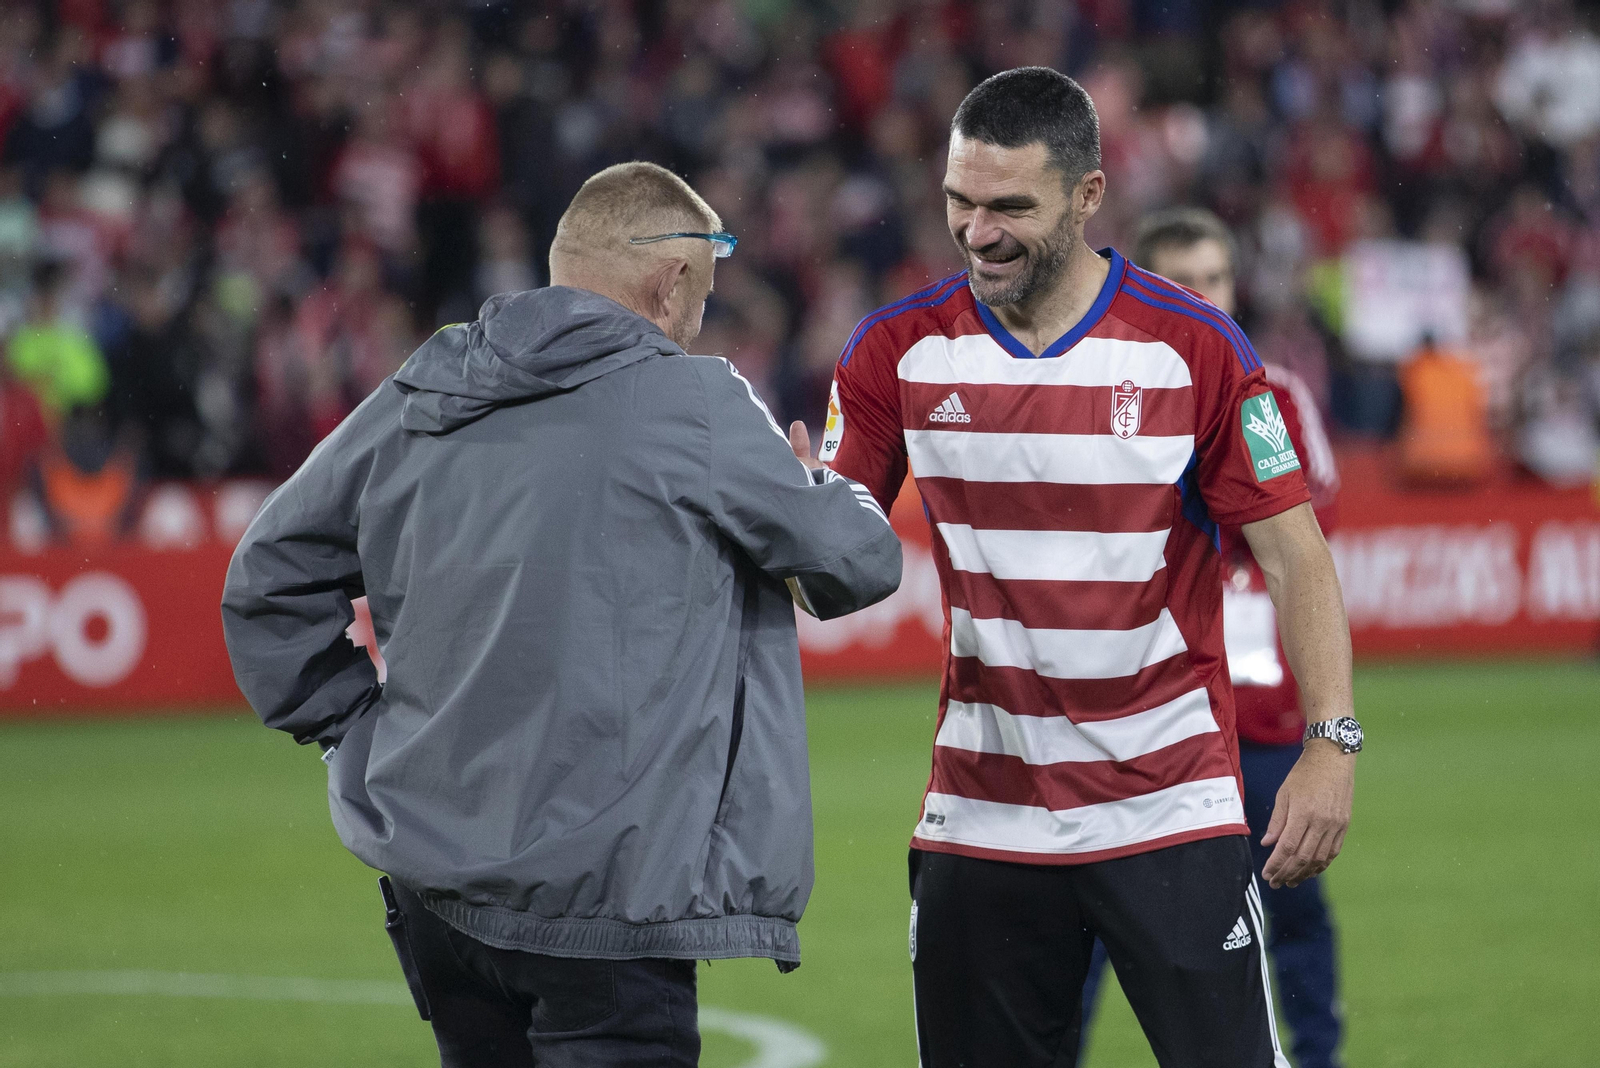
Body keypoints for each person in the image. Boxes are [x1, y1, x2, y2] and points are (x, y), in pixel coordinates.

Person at [221, 161, 902, 1068]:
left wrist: (353, 729)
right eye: (701, 292)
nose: (699, 319)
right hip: (606, 912)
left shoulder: (423, 391)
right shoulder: (696, 401)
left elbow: (267, 577)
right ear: (669, 284)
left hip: (441, 898)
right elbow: (855, 564)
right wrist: (820, 482)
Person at [814, 68, 1361, 1068]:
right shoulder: (894, 351)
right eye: (958, 201)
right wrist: (787, 514)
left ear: (1087, 194)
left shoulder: (1193, 347)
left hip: (1171, 809)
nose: (976, 232)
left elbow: (1297, 557)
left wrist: (1330, 743)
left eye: (1009, 206)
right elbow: (830, 574)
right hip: (981, 821)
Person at [1077, 207, 1348, 1068]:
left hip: (1260, 717)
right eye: (1179, 283)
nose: (1201, 300)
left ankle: (1316, 1057)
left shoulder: (1269, 393)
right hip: (1138, 720)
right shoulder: (1095, 388)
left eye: (1215, 281)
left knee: (1292, 909)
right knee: (1084, 926)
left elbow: (1298, 535)